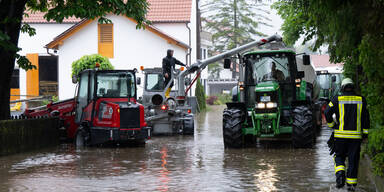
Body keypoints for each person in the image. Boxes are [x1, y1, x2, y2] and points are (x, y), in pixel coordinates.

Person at [324, 78, 370, 191]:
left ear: (342, 87)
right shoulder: (362, 100)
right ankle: (351, 186)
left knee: (339, 156)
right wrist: (365, 134)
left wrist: (331, 125)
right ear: (353, 87)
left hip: (340, 137)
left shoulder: (336, 99)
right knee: (353, 160)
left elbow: (326, 112)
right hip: (355, 138)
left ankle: (340, 176)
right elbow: (366, 118)